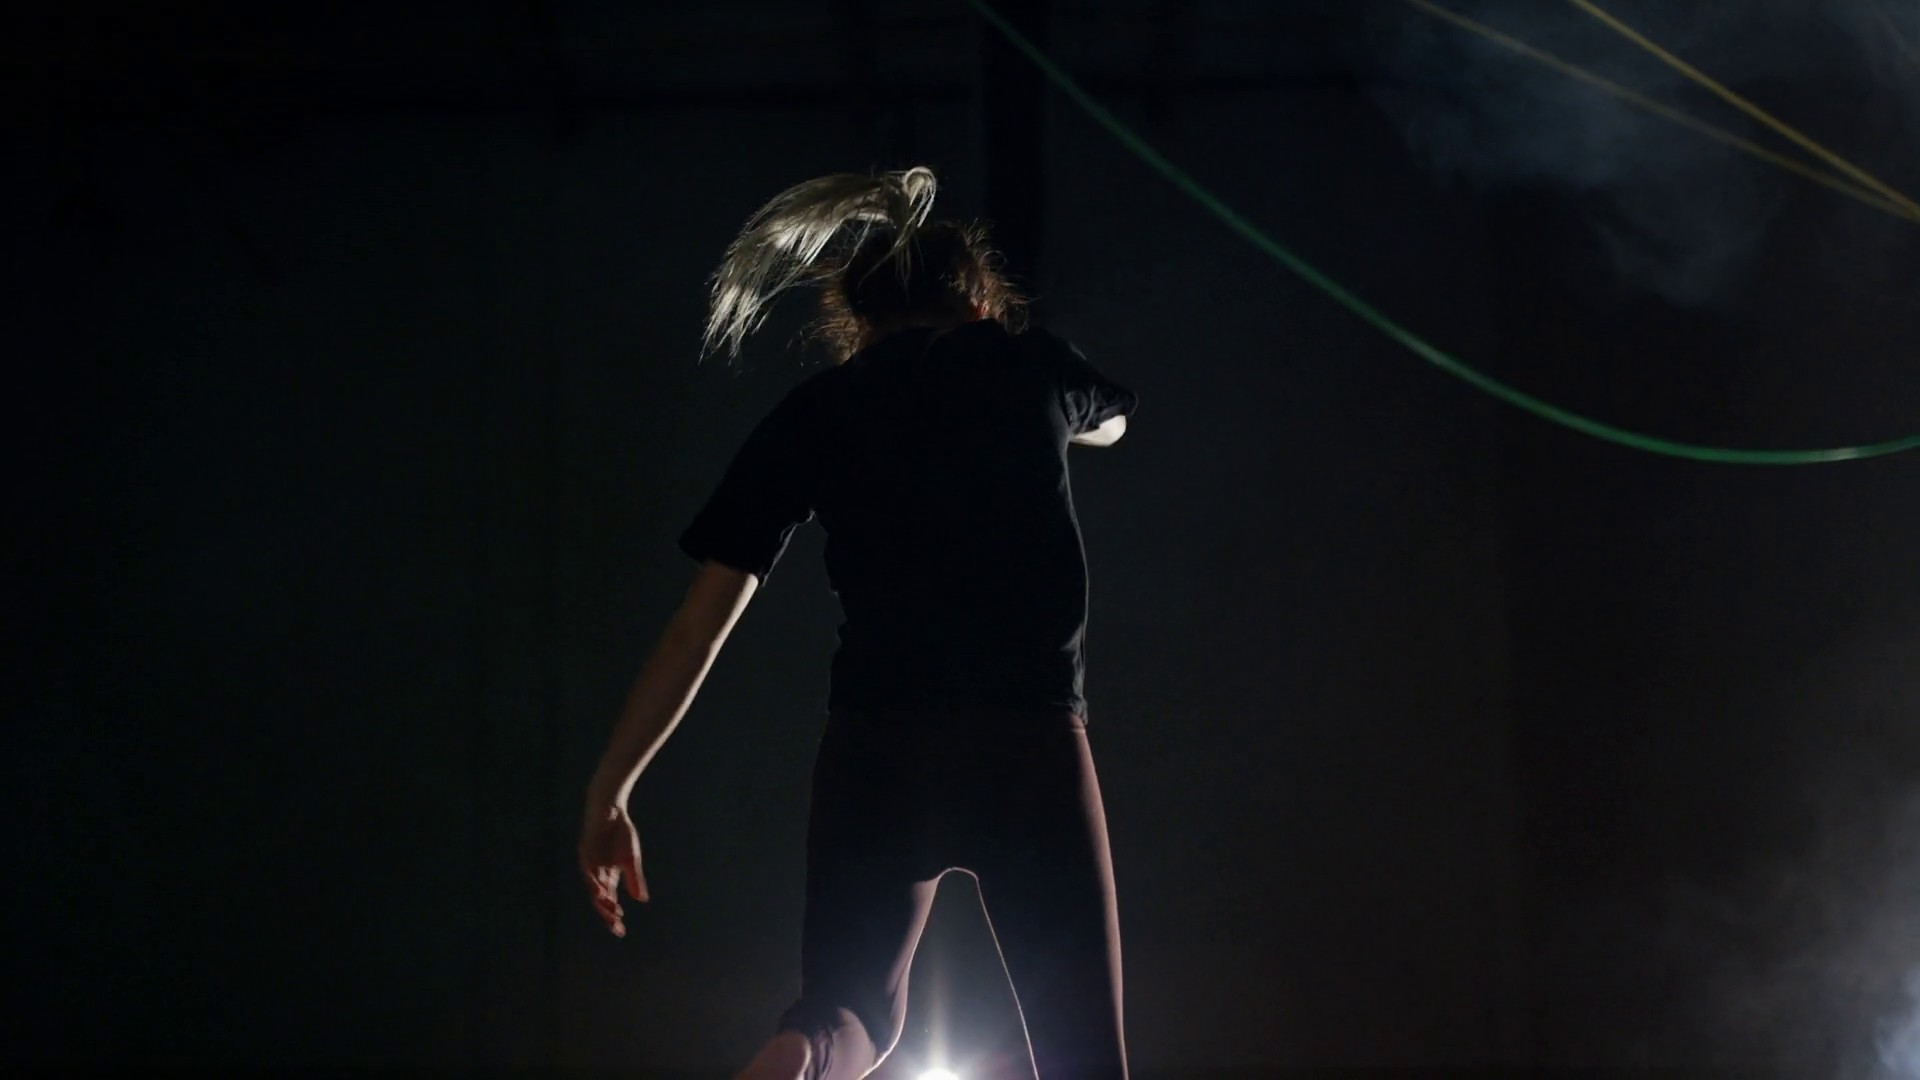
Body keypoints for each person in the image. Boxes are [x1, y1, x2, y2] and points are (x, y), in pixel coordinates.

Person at [576, 167, 1137, 1080]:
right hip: (1026, 744)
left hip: (878, 750)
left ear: (859, 316)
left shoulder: (821, 409)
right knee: (1082, 1054)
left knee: (850, 1013)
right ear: (979, 299)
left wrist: (612, 791)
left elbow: (698, 628)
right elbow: (1113, 423)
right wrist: (1056, 417)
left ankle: (795, 1059)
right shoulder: (1031, 365)